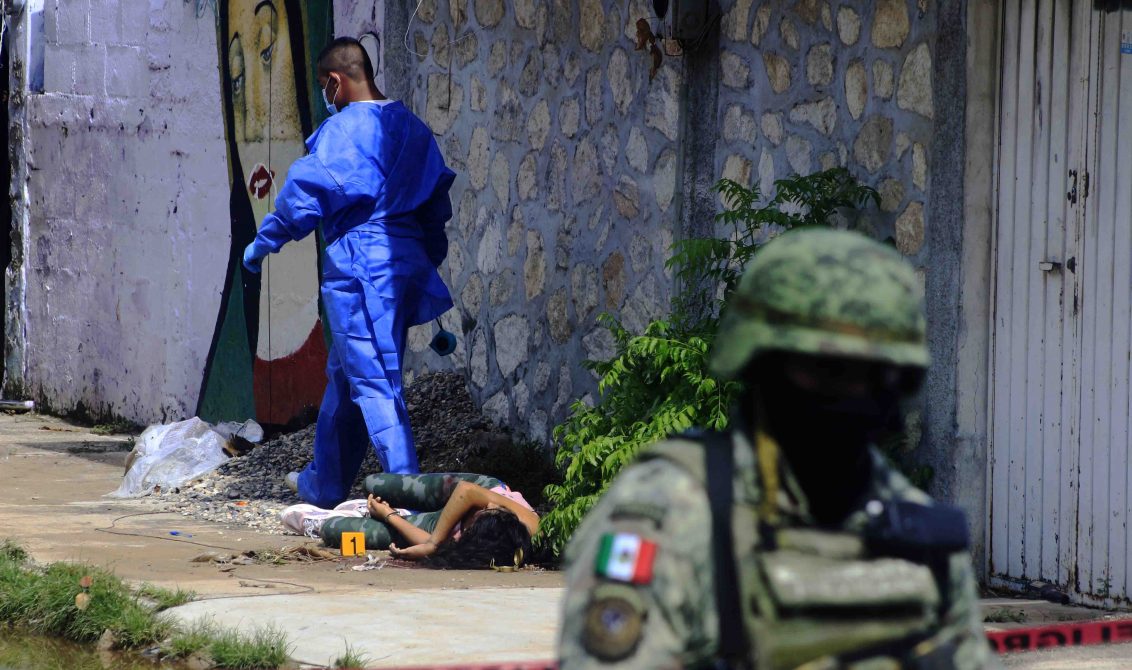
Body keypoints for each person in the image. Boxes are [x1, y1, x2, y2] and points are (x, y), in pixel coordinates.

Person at [558, 229, 998, 669]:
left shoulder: (918, 533)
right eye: (826, 369)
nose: (853, 392)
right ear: (762, 365)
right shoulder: (674, 511)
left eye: (876, 373)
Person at [241, 37, 456, 508]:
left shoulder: (342, 132)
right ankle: (326, 484)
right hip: (400, 265)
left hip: (359, 268)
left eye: (324, 86)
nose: (325, 94)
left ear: (334, 83)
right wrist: (424, 259)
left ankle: (408, 491)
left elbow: (305, 195)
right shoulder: (412, 128)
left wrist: (265, 241)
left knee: (375, 379)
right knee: (345, 375)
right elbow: (436, 205)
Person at [281, 473, 540, 569]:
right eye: (495, 510)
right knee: (373, 483)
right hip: (470, 488)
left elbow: (430, 544)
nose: (491, 505)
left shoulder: (474, 548)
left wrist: (389, 516)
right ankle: (392, 502)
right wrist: (434, 542)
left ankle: (338, 517)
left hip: (445, 527)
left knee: (350, 532)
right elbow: (467, 491)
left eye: (484, 513)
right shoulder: (528, 525)